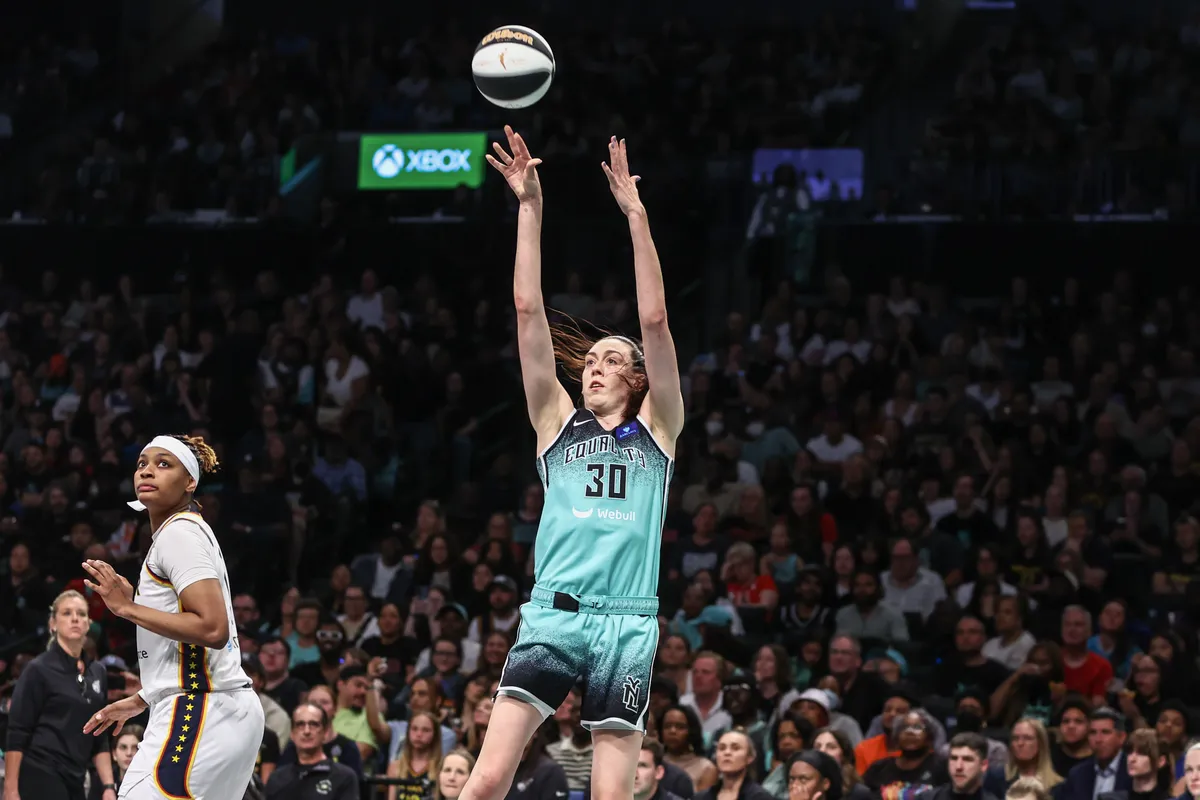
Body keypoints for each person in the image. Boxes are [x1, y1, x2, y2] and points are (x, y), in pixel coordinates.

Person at [459, 127, 684, 800]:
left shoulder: (659, 429)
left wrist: (636, 217)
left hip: (627, 620)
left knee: (610, 795)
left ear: (638, 380)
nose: (594, 367)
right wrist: (530, 208)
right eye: (590, 361)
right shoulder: (556, 424)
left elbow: (655, 321)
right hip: (553, 615)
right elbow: (527, 310)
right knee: (486, 780)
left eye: (612, 360)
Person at [79, 435, 265, 799]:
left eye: (164, 464)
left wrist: (127, 608)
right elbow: (191, 641)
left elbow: (212, 628)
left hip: (201, 709)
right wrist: (144, 697)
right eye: (142, 463)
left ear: (190, 481)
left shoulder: (178, 534)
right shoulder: (184, 531)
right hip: (220, 708)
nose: (147, 470)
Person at [4, 590, 119, 800]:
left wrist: (109, 786)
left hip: (76, 776)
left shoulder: (98, 672)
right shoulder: (38, 669)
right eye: (67, 613)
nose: (75, 618)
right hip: (40, 771)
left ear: (88, 624)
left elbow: (100, 735)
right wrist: (10, 789)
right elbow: (18, 731)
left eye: (81, 614)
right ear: (53, 623)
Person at [265, 703, 359, 800]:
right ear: (292, 733)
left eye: (314, 724)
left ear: (325, 732)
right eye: (300, 725)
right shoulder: (277, 779)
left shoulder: (344, 777)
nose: (307, 731)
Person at [1060, 708, 1130, 800]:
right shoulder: (1077, 774)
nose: (1098, 739)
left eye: (1105, 732)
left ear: (1121, 737)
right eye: (1093, 733)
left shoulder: (1134, 772)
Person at [927, 733, 998, 800]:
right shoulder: (928, 798)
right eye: (954, 758)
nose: (958, 767)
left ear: (983, 765)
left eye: (967, 759)